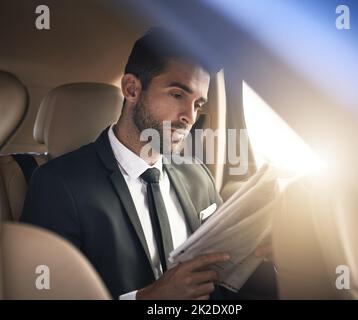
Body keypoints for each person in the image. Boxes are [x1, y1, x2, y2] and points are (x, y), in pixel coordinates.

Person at [21, 27, 272, 299]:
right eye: (177, 94)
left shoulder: (198, 176)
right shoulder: (57, 184)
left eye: (198, 104)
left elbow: (224, 274)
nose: (190, 116)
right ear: (131, 88)